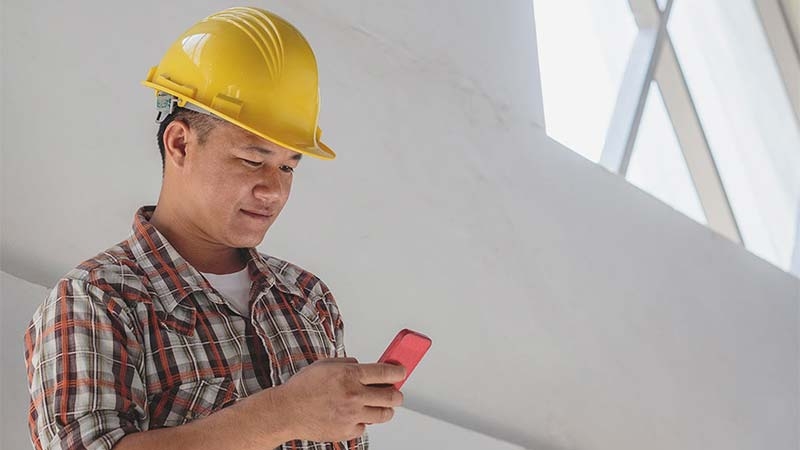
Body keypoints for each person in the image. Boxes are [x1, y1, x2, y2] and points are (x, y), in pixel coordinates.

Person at [24, 7, 404, 450]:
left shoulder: (308, 300)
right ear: (180, 143)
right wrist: (285, 413)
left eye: (287, 166)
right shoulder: (97, 300)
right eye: (252, 160)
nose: (274, 191)